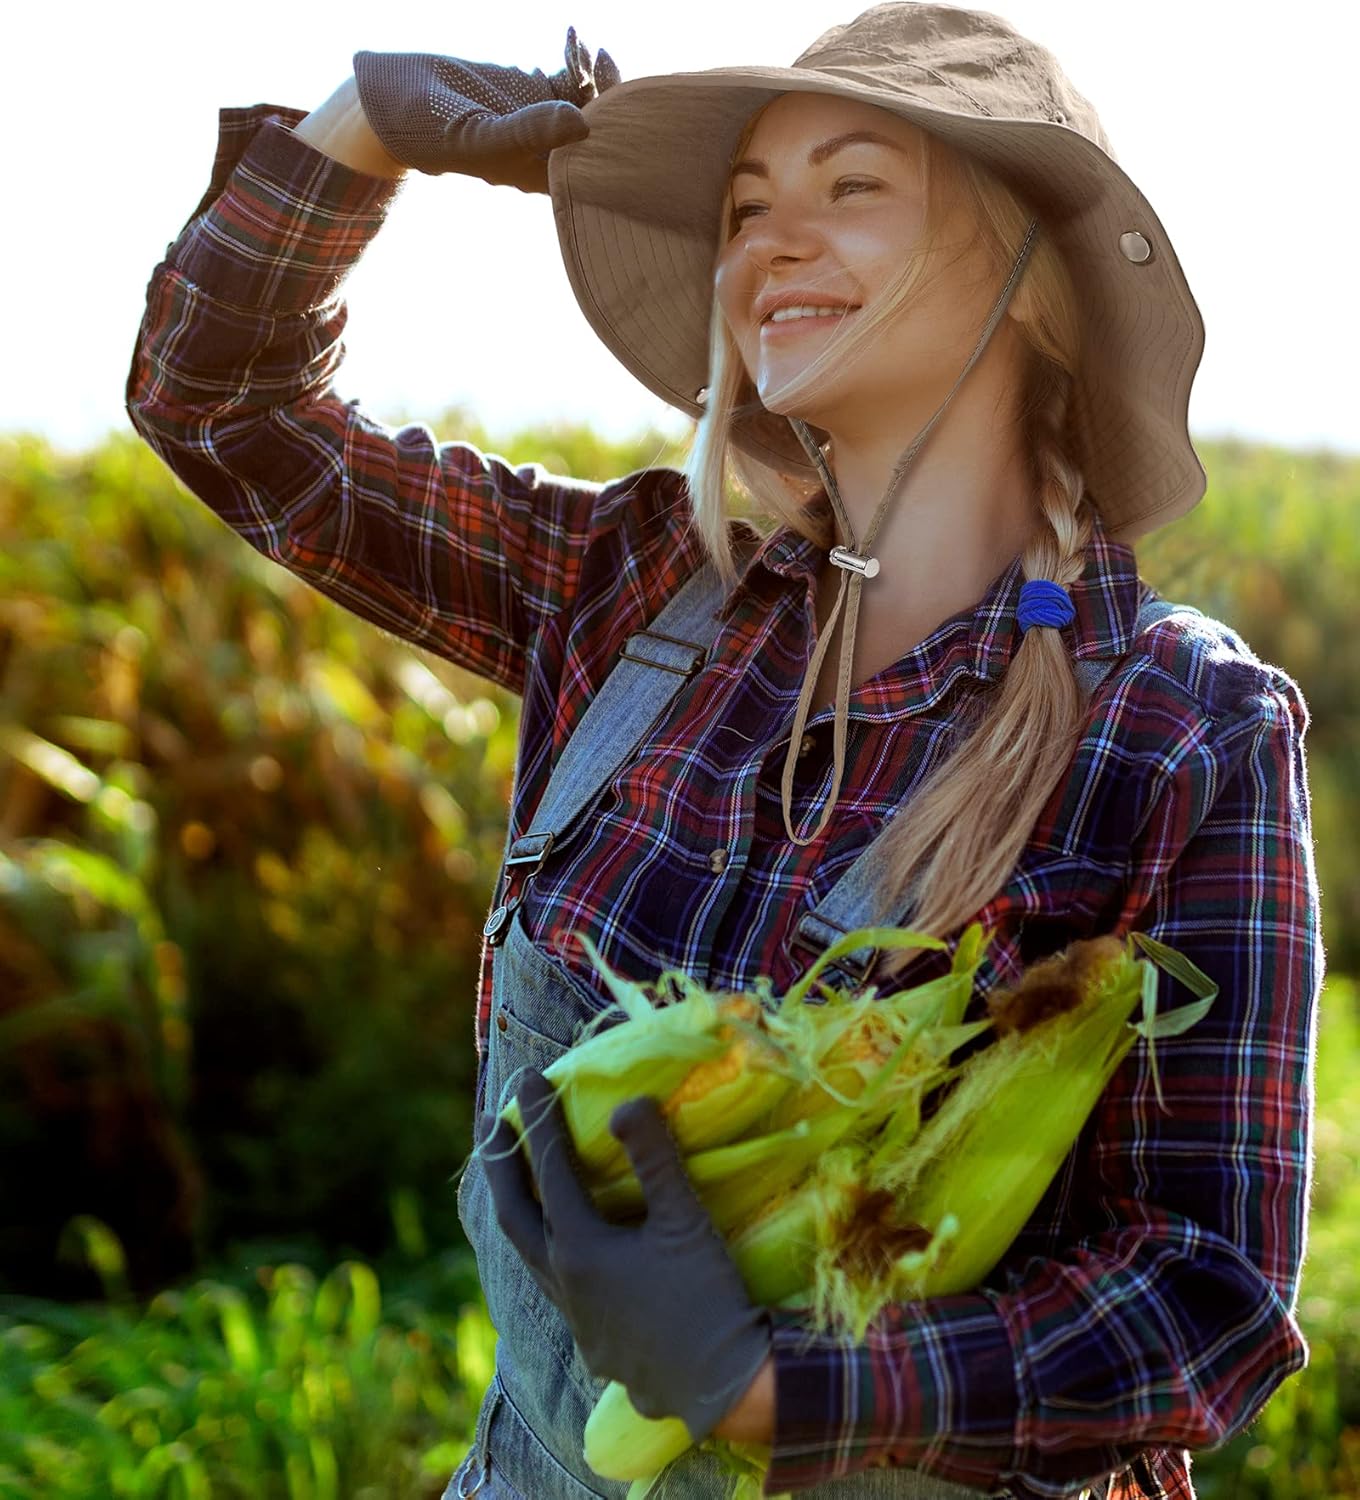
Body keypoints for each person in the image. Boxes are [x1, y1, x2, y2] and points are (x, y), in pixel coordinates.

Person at [125, 6, 1322, 1499]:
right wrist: (355, 129)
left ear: (1036, 274)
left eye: (851, 187)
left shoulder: (1178, 725)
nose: (769, 242)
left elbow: (1207, 1296)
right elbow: (221, 409)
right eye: (747, 209)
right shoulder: (635, 585)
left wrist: (779, 1391)